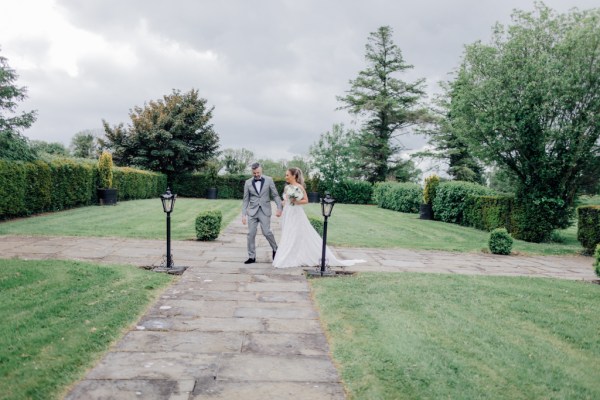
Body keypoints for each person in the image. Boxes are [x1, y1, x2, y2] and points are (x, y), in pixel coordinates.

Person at [273, 167, 364, 269]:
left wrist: (296, 201)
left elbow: (306, 200)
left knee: (295, 233)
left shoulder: (299, 187)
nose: (286, 177)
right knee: (287, 233)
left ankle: (292, 257)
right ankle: (290, 256)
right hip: (288, 213)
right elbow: (285, 200)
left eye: (287, 175)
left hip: (296, 213)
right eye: (286, 175)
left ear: (294, 176)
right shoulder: (287, 187)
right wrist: (283, 204)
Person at [242, 162, 282, 264]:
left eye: (258, 172)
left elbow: (275, 195)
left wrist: (279, 207)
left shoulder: (269, 180)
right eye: (254, 173)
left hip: (265, 211)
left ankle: (275, 249)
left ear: (261, 170)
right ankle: (252, 257)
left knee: (266, 232)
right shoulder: (248, 183)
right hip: (252, 212)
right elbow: (245, 200)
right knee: (250, 234)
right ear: (252, 172)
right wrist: (243, 215)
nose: (256, 175)